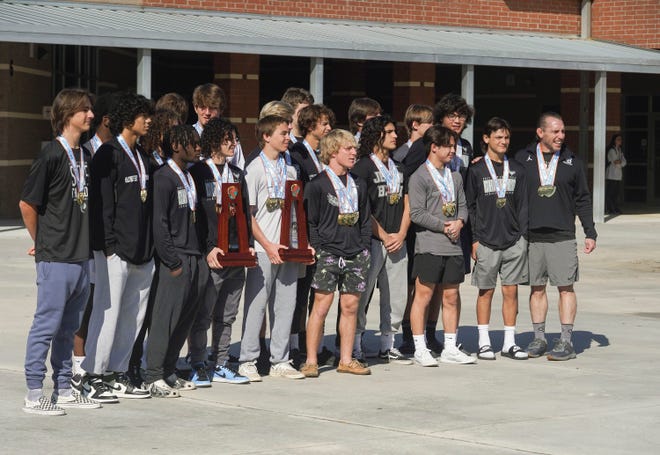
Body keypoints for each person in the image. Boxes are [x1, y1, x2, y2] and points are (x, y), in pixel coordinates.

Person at [20, 88, 100, 415]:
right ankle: (34, 392)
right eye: (85, 110)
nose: (91, 115)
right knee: (47, 325)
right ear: (68, 114)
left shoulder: (86, 156)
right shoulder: (51, 155)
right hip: (55, 256)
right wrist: (40, 241)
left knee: (68, 328)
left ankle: (64, 387)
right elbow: (27, 203)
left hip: (81, 256)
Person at [82, 92, 155, 402]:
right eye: (144, 116)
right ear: (129, 120)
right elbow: (101, 205)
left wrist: (149, 247)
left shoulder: (143, 156)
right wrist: (108, 246)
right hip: (114, 250)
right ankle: (92, 375)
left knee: (133, 315)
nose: (150, 121)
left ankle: (117, 372)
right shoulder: (107, 154)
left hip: (142, 250)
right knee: (107, 312)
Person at [515, 112, 597, 361]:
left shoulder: (573, 162)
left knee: (566, 288)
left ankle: (566, 341)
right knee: (536, 289)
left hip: (562, 235)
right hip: (532, 236)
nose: (561, 136)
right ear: (541, 133)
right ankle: (539, 338)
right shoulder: (522, 159)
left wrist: (589, 231)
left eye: (563, 131)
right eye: (555, 131)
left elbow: (583, 199)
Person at [238, 115, 313, 381]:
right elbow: (248, 215)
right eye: (283, 132)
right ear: (266, 136)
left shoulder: (291, 170)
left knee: (285, 306)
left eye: (290, 132)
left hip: (288, 249)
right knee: (256, 306)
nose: (288, 137)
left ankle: (280, 360)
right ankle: (247, 359)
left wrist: (302, 244)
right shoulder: (254, 169)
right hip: (263, 249)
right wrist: (267, 245)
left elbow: (296, 213)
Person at [401, 93, 476, 356]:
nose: (457, 120)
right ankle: (413, 338)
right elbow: (410, 194)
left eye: (462, 116)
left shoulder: (465, 147)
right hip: (426, 232)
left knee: (449, 290)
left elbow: (466, 191)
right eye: (452, 116)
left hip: (455, 230)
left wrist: (461, 222)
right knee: (422, 288)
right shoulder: (422, 149)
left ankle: (439, 338)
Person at [300, 129, 372, 377]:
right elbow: (311, 221)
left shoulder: (359, 184)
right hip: (328, 253)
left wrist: (364, 247)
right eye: (348, 149)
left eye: (355, 148)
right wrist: (319, 249)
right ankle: (311, 360)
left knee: (350, 307)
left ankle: (346, 359)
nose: (354, 153)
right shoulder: (317, 185)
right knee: (321, 306)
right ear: (332, 152)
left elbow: (365, 219)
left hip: (356, 253)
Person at [143, 124, 208, 396]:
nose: (197, 147)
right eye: (192, 143)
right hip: (176, 259)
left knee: (185, 318)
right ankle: (153, 375)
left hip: (195, 256)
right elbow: (160, 224)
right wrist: (172, 261)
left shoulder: (189, 176)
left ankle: (169, 371)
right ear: (177, 146)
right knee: (165, 317)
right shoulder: (163, 178)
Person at [187, 117, 252, 386]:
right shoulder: (199, 173)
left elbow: (245, 213)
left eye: (235, 139)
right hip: (212, 254)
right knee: (204, 313)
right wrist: (206, 249)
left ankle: (221, 362)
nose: (233, 143)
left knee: (227, 314)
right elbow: (196, 218)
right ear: (214, 140)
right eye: (228, 139)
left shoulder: (237, 174)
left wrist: (247, 244)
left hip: (236, 254)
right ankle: (198, 363)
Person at [466, 118, 529, 360]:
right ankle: (484, 342)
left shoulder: (517, 169)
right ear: (486, 139)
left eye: (507, 138)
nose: (503, 142)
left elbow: (523, 205)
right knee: (486, 292)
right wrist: (474, 239)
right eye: (498, 137)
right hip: (486, 240)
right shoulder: (476, 169)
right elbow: (470, 207)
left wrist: (522, 237)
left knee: (511, 291)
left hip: (513, 240)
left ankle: (509, 343)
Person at [351, 115, 411, 364]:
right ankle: (354, 345)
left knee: (396, 295)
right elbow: (361, 207)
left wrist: (402, 233)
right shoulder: (362, 167)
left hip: (398, 239)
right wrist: (384, 235)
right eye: (390, 132)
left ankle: (388, 344)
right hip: (372, 240)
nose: (396, 135)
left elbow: (407, 202)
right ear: (377, 136)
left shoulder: (399, 166)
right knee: (361, 295)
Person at [72, 91, 118, 385]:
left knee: (105, 304)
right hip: (86, 242)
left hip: (108, 241)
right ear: (108, 120)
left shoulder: (117, 152)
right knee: (84, 306)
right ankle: (78, 366)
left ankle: (98, 362)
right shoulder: (86, 153)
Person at [192, 83, 245, 170]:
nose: (207, 113)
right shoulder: (188, 137)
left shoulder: (232, 139)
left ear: (221, 109)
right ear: (195, 108)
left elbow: (239, 171)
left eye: (212, 108)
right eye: (203, 107)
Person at [605, 133, 626, 214]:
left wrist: (620, 162)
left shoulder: (620, 150)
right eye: (618, 139)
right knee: (610, 193)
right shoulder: (611, 150)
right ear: (614, 141)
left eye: (620, 139)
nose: (620, 141)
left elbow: (624, 162)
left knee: (616, 193)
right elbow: (616, 162)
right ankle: (610, 208)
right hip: (611, 174)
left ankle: (615, 207)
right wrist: (620, 162)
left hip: (617, 175)